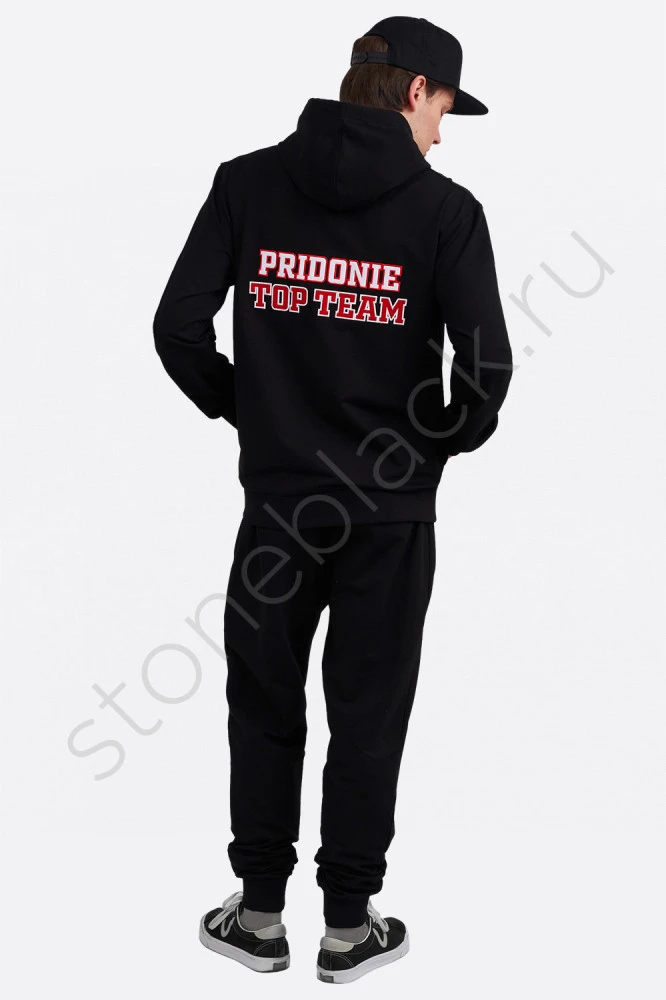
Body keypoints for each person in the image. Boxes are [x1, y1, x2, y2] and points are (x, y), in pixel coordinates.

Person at [152, 15, 513, 984]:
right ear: (414, 92)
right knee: (369, 712)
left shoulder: (246, 184)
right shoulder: (446, 213)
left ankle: (259, 916)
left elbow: (177, 326)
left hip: (277, 507)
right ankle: (349, 929)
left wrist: (249, 411)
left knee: (264, 703)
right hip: (388, 519)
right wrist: (430, 450)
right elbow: (486, 372)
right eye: (443, 111)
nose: (441, 135)